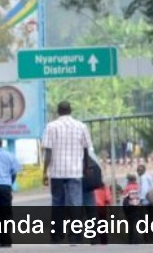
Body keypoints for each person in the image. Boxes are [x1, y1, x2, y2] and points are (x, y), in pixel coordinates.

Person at [41, 101, 93, 244]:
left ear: (58, 111)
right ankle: (75, 237)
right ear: (71, 111)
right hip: (75, 171)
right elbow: (86, 149)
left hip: (57, 172)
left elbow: (48, 151)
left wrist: (45, 172)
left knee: (57, 202)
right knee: (76, 203)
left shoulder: (51, 127)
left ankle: (57, 236)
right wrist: (86, 167)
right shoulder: (81, 126)